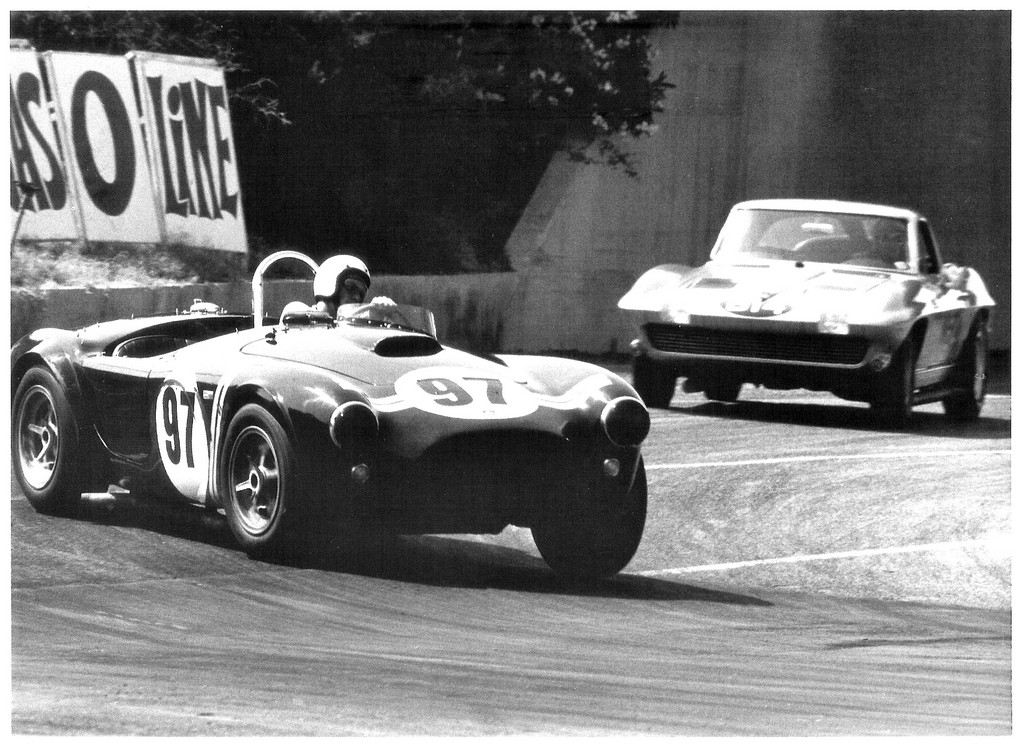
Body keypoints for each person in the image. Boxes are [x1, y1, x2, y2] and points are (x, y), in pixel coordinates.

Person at [312, 254, 394, 318]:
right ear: (329, 283)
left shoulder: (350, 329)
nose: (357, 297)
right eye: (351, 288)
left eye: (362, 294)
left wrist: (375, 316)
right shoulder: (302, 317)